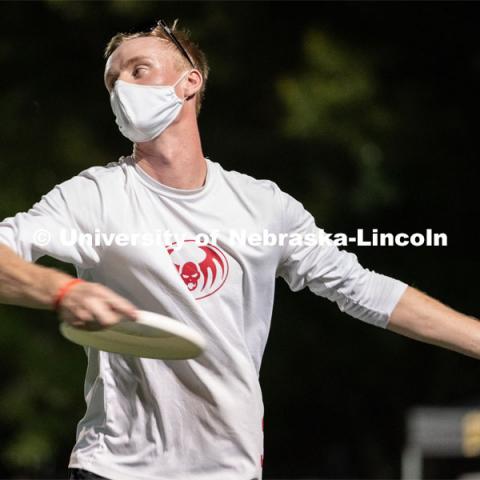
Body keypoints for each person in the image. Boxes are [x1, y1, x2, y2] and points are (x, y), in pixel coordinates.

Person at [0, 18, 478, 480]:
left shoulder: (263, 206)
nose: (121, 86)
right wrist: (60, 291)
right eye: (113, 79)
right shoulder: (93, 196)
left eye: (138, 69)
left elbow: (362, 289)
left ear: (189, 82)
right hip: (114, 468)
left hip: (231, 469)